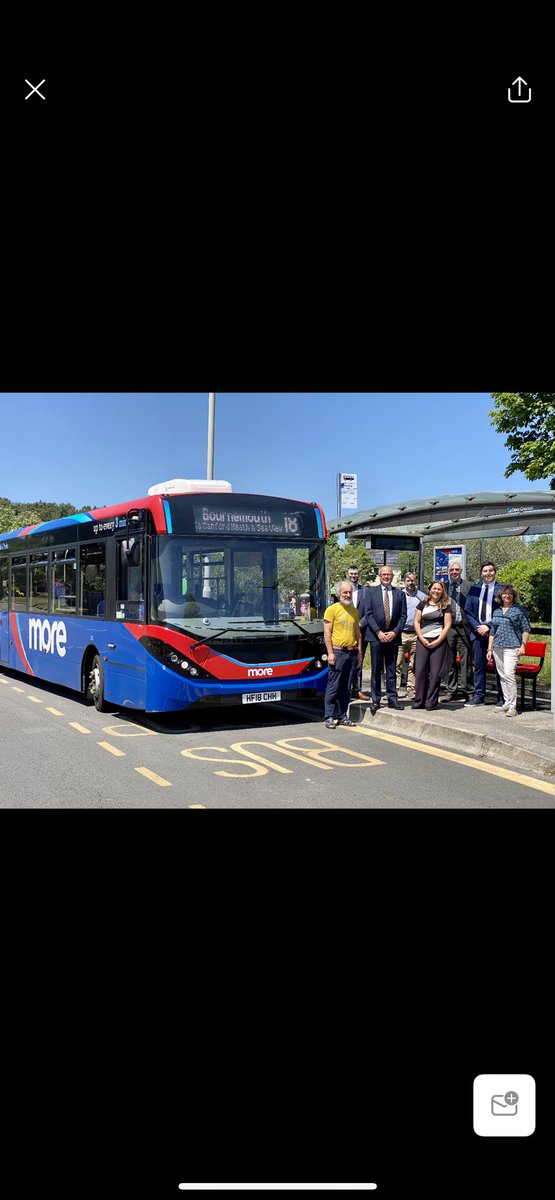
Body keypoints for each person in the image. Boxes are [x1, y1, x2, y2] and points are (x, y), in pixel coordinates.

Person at [358, 565, 407, 714]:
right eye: (384, 574)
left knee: (392, 669)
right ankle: (376, 700)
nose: (386, 577)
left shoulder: (400, 594)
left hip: (393, 637)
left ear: (392, 577)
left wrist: (394, 632)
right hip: (375, 637)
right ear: (380, 576)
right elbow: (369, 615)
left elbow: (403, 616)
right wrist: (378, 632)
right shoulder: (371, 593)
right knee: (376, 670)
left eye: (389, 575)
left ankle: (392, 699)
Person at [323, 580, 362, 729]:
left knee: (346, 687)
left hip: (352, 653)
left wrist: (359, 651)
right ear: (339, 594)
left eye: (350, 592)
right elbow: (327, 633)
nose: (347, 595)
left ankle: (343, 715)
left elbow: (358, 633)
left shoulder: (354, 611)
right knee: (333, 685)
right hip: (338, 652)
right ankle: (329, 716)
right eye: (345, 592)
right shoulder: (332, 610)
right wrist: (330, 653)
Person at [464, 561, 505, 706]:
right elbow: (468, 611)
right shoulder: (474, 589)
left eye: (491, 571)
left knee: (499, 667)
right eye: (485, 571)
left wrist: (488, 626)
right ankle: (479, 696)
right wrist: (478, 627)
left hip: (496, 634)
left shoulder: (502, 589)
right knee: (479, 667)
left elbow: (503, 612)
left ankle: (502, 698)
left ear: (495, 572)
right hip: (478, 633)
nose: (488, 573)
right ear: (481, 573)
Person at [487, 585, 531, 717]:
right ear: (501, 596)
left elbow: (526, 629)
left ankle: (513, 706)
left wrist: (523, 645)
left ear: (513, 596)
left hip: (512, 647)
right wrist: (490, 648)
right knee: (502, 676)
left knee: (509, 675)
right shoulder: (497, 611)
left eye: (510, 594)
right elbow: (492, 631)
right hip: (497, 647)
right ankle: (506, 702)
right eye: (505, 594)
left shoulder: (519, 610)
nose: (507, 596)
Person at [413, 581, 452, 710]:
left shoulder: (446, 606)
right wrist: (421, 637)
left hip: (438, 642)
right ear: (430, 590)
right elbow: (417, 622)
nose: (436, 591)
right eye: (434, 588)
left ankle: (431, 702)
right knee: (420, 671)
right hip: (422, 640)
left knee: (435, 674)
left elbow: (447, 625)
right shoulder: (422, 604)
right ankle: (419, 701)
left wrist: (438, 640)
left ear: (442, 591)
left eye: (439, 589)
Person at [440, 561, 474, 701]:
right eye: (452, 570)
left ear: (461, 571)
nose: (454, 572)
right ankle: (451, 690)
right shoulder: (444, 587)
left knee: (466, 660)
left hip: (464, 627)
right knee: (450, 660)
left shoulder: (469, 586)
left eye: (457, 569)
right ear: (448, 571)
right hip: (449, 628)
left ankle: (468, 690)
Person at [396, 572, 426, 701]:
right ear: (404, 581)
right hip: (401, 633)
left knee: (413, 664)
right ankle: (395, 689)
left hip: (416, 634)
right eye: (408, 580)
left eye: (413, 580)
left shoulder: (422, 597)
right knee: (397, 663)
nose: (411, 583)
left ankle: (411, 689)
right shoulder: (399, 595)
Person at [346, 564, 371, 700]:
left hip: (361, 631)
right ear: (347, 574)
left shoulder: (365, 591)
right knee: (345, 661)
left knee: (359, 660)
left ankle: (358, 689)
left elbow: (369, 611)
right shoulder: (341, 591)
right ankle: (346, 689)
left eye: (355, 574)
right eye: (351, 573)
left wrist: (361, 623)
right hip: (345, 632)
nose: (353, 576)